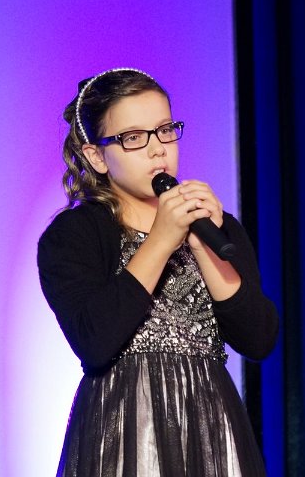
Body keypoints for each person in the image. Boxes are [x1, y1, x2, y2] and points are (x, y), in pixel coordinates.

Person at [38, 67, 279, 476]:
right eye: (133, 137)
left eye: (165, 130)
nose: (157, 150)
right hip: (125, 433)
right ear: (97, 156)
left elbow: (258, 339)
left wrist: (202, 246)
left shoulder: (215, 227)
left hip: (211, 431)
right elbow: (94, 341)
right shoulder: (74, 234)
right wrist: (161, 240)